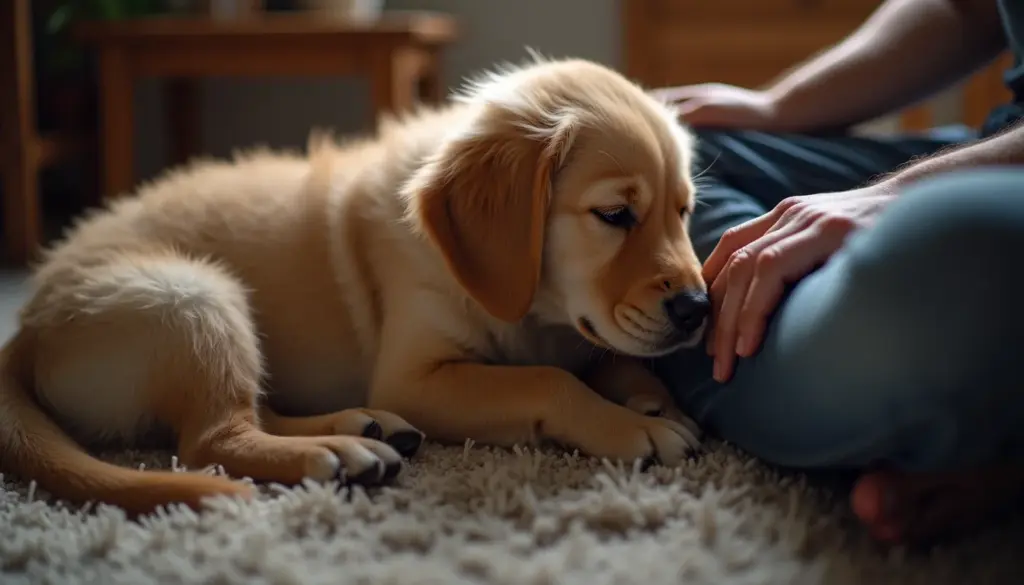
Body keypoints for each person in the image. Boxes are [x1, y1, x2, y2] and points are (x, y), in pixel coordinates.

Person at [650, 0, 1024, 545]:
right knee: (675, 155)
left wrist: (892, 197)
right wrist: (774, 108)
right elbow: (964, 7)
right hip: (995, 142)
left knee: (947, 239)